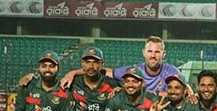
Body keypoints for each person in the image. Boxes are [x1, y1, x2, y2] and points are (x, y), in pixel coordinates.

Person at [60, 36, 192, 96]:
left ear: (163, 54)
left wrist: (154, 93)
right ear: (144, 53)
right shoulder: (134, 70)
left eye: (157, 52)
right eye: (150, 51)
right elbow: (102, 71)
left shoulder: (171, 70)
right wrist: (73, 73)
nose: (153, 56)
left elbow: (186, 89)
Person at [67, 47, 117, 111]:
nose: (91, 66)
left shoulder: (112, 84)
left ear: (102, 64)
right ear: (82, 63)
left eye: (95, 62)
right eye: (87, 62)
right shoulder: (73, 83)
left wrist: (120, 89)